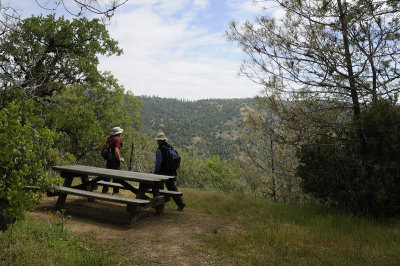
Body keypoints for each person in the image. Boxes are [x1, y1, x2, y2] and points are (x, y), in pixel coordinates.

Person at [153, 132, 185, 211]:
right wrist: (174, 170)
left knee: (158, 188)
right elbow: (172, 160)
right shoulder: (170, 147)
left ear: (160, 141)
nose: (157, 142)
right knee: (172, 188)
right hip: (170, 172)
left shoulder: (159, 150)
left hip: (162, 173)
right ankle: (180, 204)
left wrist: (155, 173)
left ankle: (159, 206)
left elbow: (158, 163)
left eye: (157, 140)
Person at [102, 126, 124, 195]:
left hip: (109, 159)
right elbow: (116, 150)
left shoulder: (109, 137)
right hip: (115, 160)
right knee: (117, 176)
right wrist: (119, 158)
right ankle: (116, 191)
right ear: (119, 133)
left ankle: (105, 190)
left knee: (107, 175)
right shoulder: (117, 139)